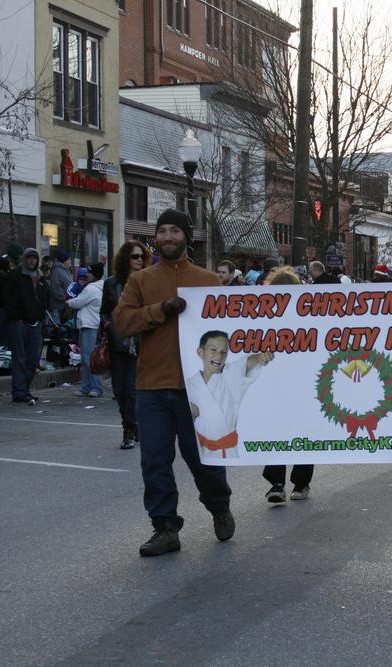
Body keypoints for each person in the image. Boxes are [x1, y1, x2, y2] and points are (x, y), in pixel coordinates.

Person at [114, 208, 235, 557]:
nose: (168, 237)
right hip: (152, 387)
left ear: (187, 236)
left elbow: (232, 331)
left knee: (205, 460)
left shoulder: (209, 281)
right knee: (154, 461)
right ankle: (165, 527)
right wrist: (160, 310)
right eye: (162, 231)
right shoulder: (140, 280)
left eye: (175, 231)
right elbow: (122, 322)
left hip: (197, 388)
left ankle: (219, 506)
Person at [260, 266, 315, 502]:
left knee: (296, 429)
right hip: (279, 382)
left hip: (298, 382)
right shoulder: (263, 316)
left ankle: (290, 483)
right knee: (282, 430)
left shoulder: (309, 315)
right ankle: (287, 483)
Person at [186, 331, 273, 461]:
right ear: (200, 352)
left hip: (229, 451)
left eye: (223, 353)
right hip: (202, 449)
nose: (218, 356)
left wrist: (259, 357)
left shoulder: (229, 375)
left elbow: (245, 363)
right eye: (213, 350)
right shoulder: (190, 384)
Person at [101, 240, 151, 449]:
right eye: (134, 256)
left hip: (140, 343)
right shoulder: (111, 284)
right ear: (125, 259)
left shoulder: (148, 282)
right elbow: (104, 310)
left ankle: (129, 430)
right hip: (117, 341)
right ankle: (131, 424)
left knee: (131, 389)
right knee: (119, 390)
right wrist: (108, 325)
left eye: (141, 256)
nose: (139, 260)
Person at [2, 248, 49, 405]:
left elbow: (44, 297)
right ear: (24, 259)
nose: (32, 261)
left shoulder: (40, 277)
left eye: (34, 258)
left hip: (35, 322)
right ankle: (19, 391)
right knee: (20, 358)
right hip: (20, 322)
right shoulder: (15, 275)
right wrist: (16, 317)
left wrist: (41, 315)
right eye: (29, 258)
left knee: (32, 359)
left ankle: (25, 389)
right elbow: (8, 298)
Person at [67, 262, 104, 398]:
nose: (87, 275)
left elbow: (79, 302)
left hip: (89, 325)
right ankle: (87, 386)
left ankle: (94, 387)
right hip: (91, 324)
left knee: (89, 358)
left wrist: (69, 302)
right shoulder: (99, 287)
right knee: (87, 357)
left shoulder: (91, 289)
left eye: (89, 272)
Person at [48, 252, 73, 325]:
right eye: (69, 259)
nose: (70, 261)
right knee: (57, 326)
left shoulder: (66, 270)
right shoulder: (57, 271)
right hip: (58, 305)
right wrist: (64, 298)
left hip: (65, 304)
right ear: (64, 260)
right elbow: (55, 288)